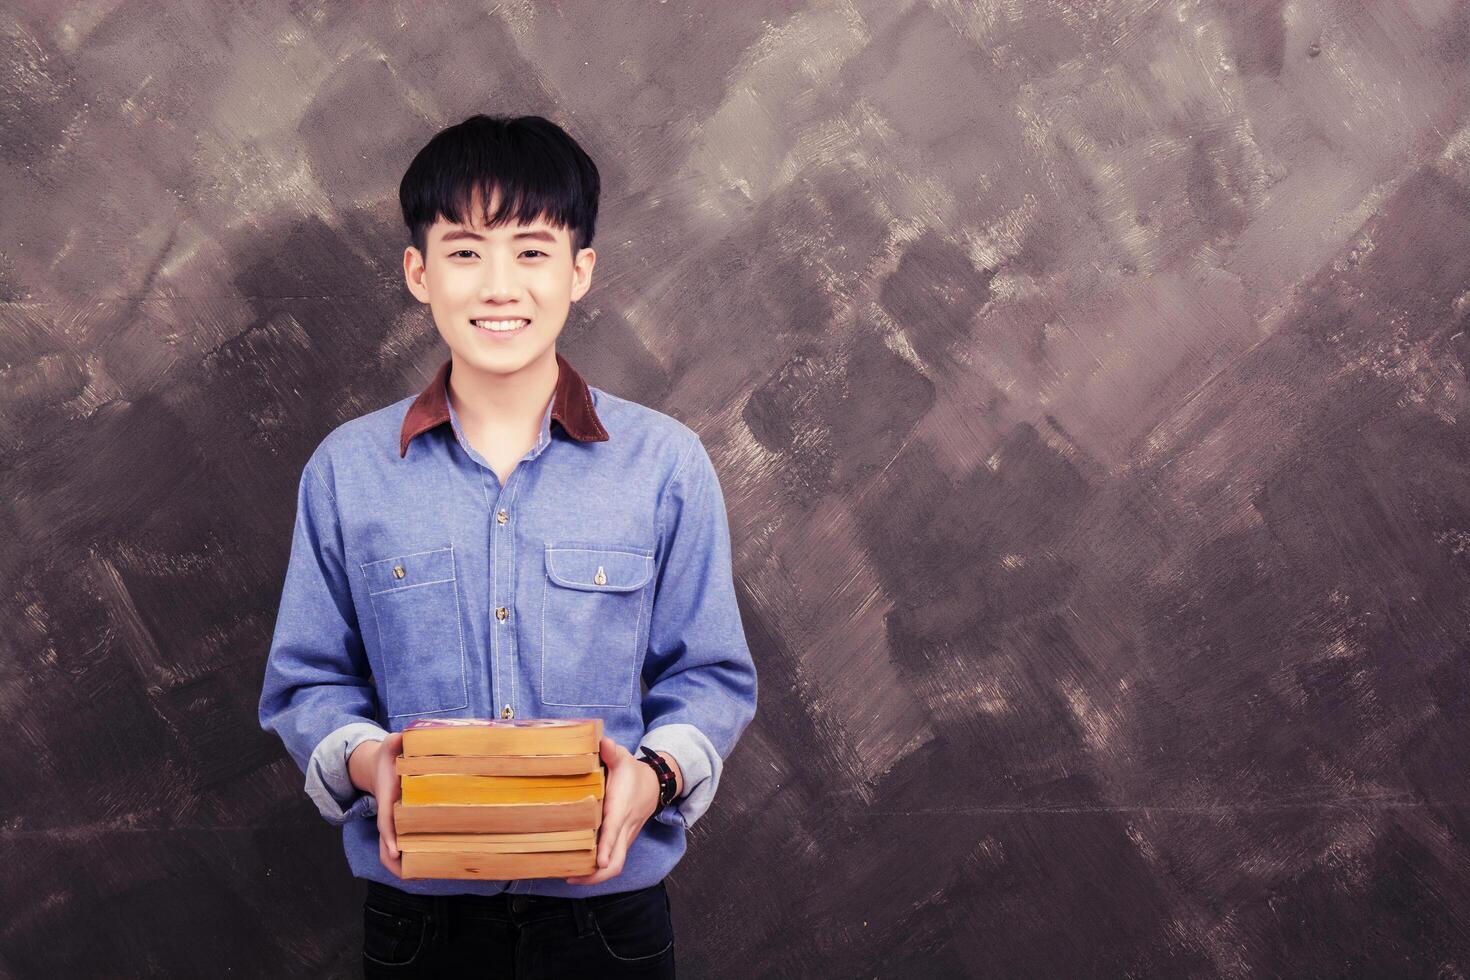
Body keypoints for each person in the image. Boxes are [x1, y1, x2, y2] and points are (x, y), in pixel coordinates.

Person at [257, 113, 758, 978]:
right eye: (464, 251)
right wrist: (374, 763)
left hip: (608, 922)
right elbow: (308, 681)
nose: (499, 286)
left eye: (531, 251)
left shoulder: (664, 463)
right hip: (419, 925)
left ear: (580, 271)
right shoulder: (347, 471)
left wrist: (657, 776)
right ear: (419, 272)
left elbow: (709, 675)